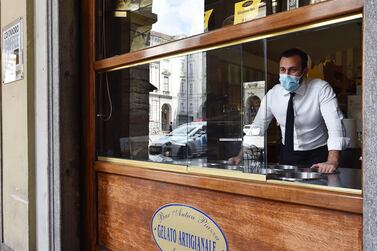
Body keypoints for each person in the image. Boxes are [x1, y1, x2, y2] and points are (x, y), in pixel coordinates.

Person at [229, 48, 349, 173]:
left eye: (293, 70)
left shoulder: (321, 89)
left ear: (304, 71)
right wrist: (241, 155)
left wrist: (332, 160)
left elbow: (335, 125)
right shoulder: (272, 94)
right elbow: (258, 127)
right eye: (283, 70)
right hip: (287, 153)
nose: (286, 75)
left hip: (317, 154)